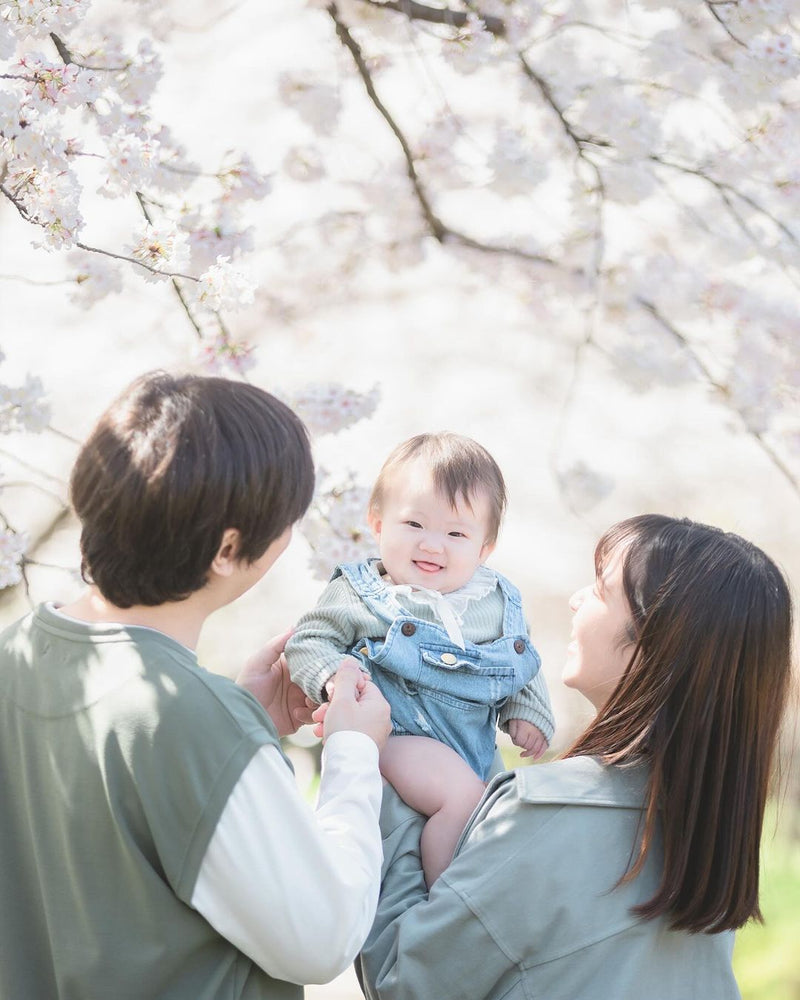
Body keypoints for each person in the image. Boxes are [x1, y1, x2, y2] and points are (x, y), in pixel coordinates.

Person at [0, 371, 392, 1000]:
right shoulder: (187, 719)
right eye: (287, 520)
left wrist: (242, 727)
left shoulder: (13, 655)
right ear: (229, 547)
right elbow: (322, 936)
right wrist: (354, 754)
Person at [357, 514, 794, 999]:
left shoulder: (552, 815)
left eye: (602, 590)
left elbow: (405, 981)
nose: (575, 598)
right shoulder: (707, 834)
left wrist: (374, 760)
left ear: (651, 644)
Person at [286, 432, 554, 885]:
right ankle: (448, 898)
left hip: (474, 746)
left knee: (496, 814)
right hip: (394, 735)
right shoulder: (361, 592)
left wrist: (529, 710)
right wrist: (335, 676)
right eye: (414, 525)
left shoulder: (496, 600)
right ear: (376, 523)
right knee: (461, 801)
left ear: (484, 548)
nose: (433, 545)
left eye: (455, 533)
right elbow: (309, 638)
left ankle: (484, 893)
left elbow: (518, 657)